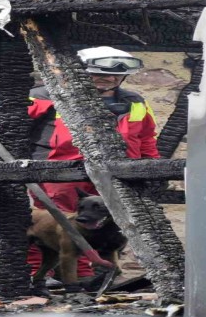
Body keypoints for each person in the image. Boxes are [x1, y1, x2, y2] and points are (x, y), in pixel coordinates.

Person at [26, 46, 159, 290]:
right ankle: (41, 275)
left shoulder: (135, 102)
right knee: (49, 224)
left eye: (114, 75)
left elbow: (146, 137)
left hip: (116, 173)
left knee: (109, 227)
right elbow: (11, 126)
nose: (107, 79)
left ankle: (90, 278)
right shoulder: (44, 95)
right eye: (98, 73)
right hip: (59, 172)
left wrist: (152, 168)